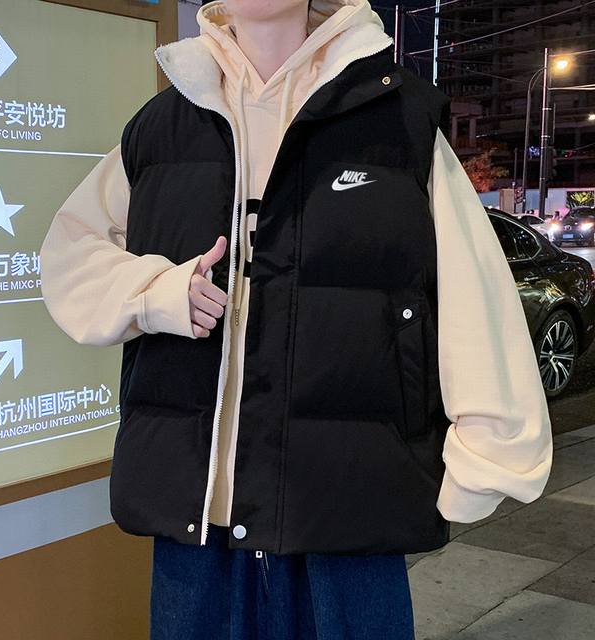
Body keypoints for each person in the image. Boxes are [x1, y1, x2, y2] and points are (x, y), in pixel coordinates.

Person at [39, 0, 554, 638]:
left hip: (346, 502)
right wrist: (156, 293)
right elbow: (69, 256)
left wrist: (493, 447)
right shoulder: (162, 126)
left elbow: (472, 287)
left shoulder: (398, 118)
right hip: (196, 509)